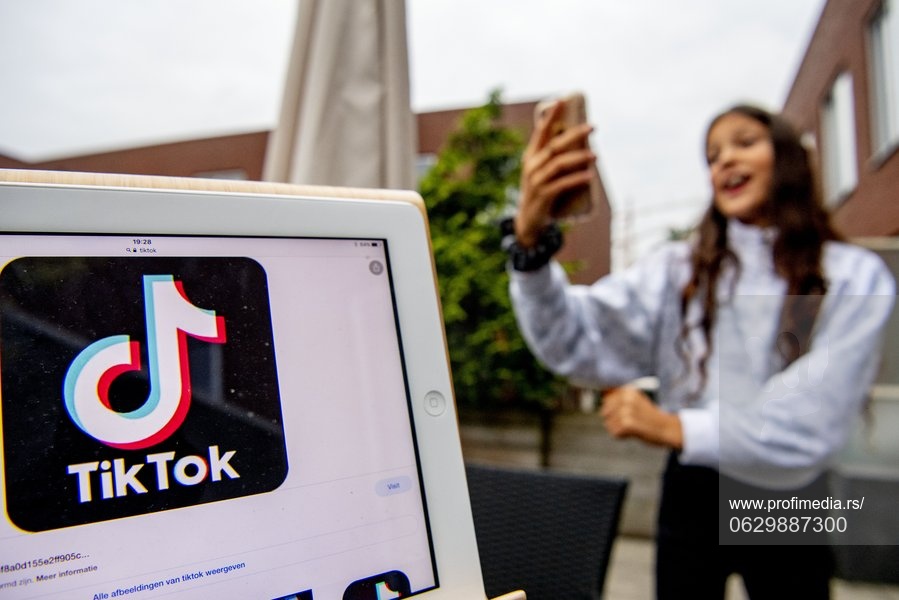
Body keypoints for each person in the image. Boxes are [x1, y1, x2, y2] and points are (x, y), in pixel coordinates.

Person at [504, 101, 895, 599]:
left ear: (790, 158)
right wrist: (530, 247)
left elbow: (811, 420)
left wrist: (670, 426)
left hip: (789, 495)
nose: (724, 160)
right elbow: (577, 338)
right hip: (693, 487)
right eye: (712, 155)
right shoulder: (679, 271)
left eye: (744, 143)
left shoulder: (854, 277)